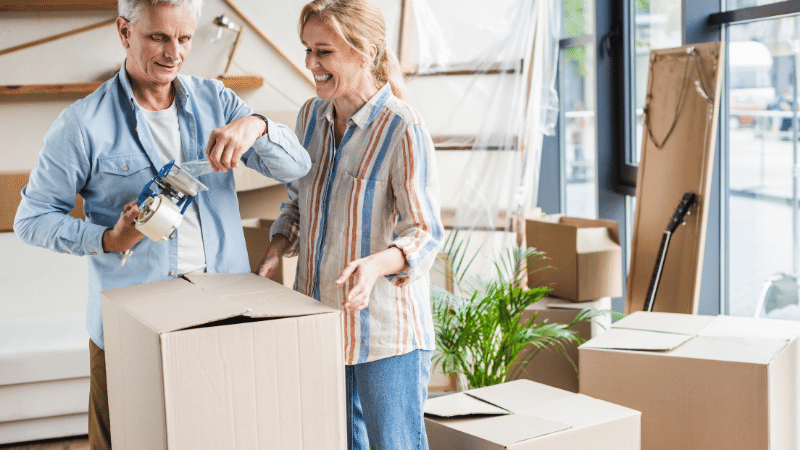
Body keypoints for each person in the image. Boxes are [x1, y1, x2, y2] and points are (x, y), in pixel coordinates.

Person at [13, 1, 310, 448]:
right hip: (131, 325)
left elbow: (296, 166)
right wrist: (109, 239)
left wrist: (258, 125)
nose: (174, 53)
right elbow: (31, 220)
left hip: (220, 315)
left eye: (185, 38)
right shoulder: (81, 124)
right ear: (124, 31)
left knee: (223, 437)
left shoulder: (218, 101)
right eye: (158, 37)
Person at [257, 1, 443, 448]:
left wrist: (375, 265)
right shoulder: (309, 118)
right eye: (307, 50)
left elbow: (424, 232)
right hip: (320, 324)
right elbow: (299, 201)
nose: (310, 64)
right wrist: (278, 245)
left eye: (324, 52)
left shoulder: (402, 128)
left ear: (365, 52)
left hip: (385, 336)